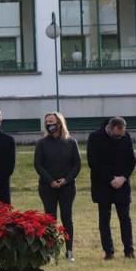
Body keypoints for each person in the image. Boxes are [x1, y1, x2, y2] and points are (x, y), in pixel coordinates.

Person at [87, 116, 136, 260]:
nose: (119, 137)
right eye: (117, 135)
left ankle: (129, 250)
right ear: (110, 128)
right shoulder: (95, 137)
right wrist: (110, 179)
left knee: (125, 218)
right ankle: (108, 251)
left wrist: (123, 177)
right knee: (104, 219)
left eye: (122, 135)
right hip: (102, 184)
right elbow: (93, 162)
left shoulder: (126, 137)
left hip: (122, 184)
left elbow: (131, 160)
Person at [34, 111, 81, 260]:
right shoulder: (42, 143)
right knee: (50, 219)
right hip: (47, 187)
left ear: (60, 123)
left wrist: (66, 180)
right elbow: (38, 164)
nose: (49, 124)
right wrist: (50, 181)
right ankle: (50, 250)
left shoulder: (71, 142)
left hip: (67, 187)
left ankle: (69, 251)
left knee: (67, 217)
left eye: (52, 121)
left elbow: (77, 165)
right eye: (47, 122)